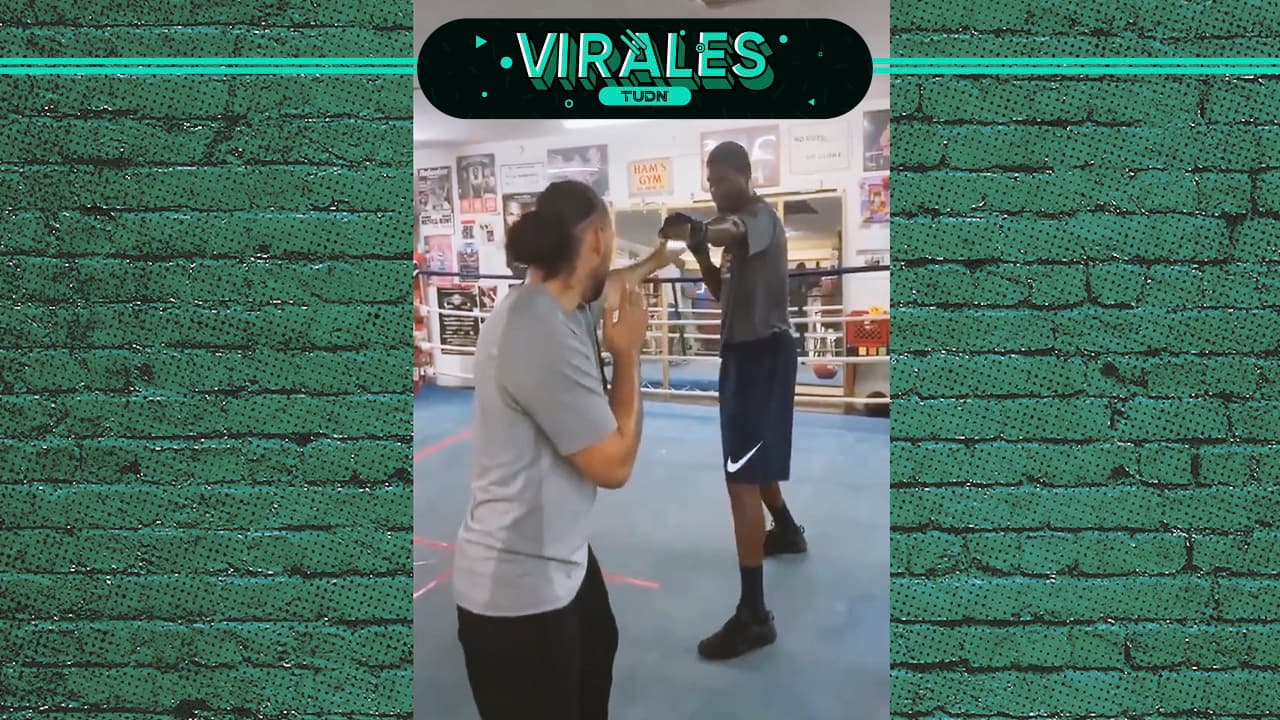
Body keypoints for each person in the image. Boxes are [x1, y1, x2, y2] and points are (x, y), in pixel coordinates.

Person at [453, 179, 678, 720]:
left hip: (562, 560)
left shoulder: (564, 304)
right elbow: (614, 464)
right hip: (517, 593)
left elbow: (616, 283)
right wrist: (628, 355)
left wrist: (661, 257)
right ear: (597, 239)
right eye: (613, 240)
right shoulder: (538, 332)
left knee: (599, 650)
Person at [659, 141, 807, 661]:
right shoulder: (736, 234)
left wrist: (701, 230)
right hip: (746, 356)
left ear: (746, 175)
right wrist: (701, 252)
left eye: (722, 180)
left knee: (740, 481)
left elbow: (731, 228)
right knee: (750, 463)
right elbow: (723, 294)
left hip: (760, 356)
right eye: (710, 183)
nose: (715, 190)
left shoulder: (758, 218)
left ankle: (754, 617)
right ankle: (785, 530)